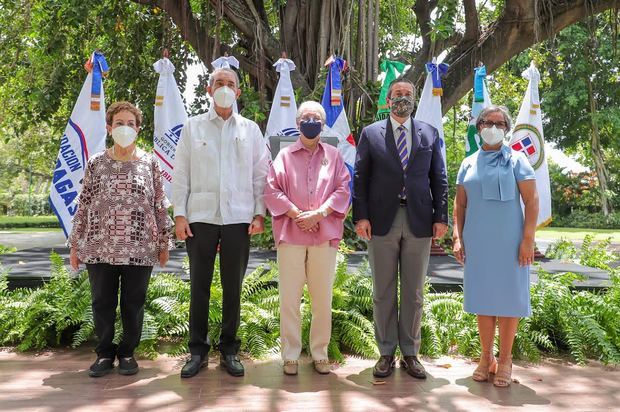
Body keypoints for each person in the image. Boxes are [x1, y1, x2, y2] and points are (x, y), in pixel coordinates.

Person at [172, 67, 270, 378]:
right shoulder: (193, 127)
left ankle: (229, 350)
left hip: (238, 218)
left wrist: (259, 212)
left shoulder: (250, 130)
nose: (225, 88)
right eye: (219, 83)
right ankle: (197, 351)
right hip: (200, 217)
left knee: (233, 288)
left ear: (238, 92)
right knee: (198, 287)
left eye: (230, 84)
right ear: (208, 89)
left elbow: (260, 174)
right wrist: (179, 214)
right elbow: (181, 174)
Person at [68, 101, 173, 378]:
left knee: (133, 302)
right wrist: (75, 243)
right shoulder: (96, 164)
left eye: (130, 124)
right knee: (102, 301)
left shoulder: (150, 163)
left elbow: (159, 205)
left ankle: (127, 352)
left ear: (138, 129)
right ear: (108, 128)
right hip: (99, 247)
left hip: (140, 247)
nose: (124, 128)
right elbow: (84, 204)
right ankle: (104, 353)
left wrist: (164, 244)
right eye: (119, 124)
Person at [353, 79, 448, 379]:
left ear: (414, 98)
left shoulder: (429, 133)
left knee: (414, 291)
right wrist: (361, 217)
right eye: (397, 95)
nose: (402, 99)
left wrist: (441, 217)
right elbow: (360, 178)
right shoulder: (371, 133)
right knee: (382, 290)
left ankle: (410, 353)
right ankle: (385, 353)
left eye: (407, 95)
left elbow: (439, 178)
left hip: (419, 219)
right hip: (382, 220)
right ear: (388, 99)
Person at [452, 105, 539, 387]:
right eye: (487, 122)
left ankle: (505, 360)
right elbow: (460, 204)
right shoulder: (468, 163)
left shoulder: (518, 161)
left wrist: (528, 240)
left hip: (511, 244)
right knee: (484, 301)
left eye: (499, 123)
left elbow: (532, 201)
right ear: (478, 127)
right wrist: (457, 236)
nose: (493, 127)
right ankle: (485, 357)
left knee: (509, 302)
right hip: (479, 243)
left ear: (506, 128)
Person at [263, 101, 351, 376]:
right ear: (298, 122)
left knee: (322, 298)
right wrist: (297, 213)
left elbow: (343, 189)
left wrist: (320, 214)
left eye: (316, 117)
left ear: (323, 124)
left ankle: (320, 353)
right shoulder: (285, 156)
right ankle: (290, 355)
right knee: (289, 297)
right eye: (306, 117)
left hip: (324, 236)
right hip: (291, 234)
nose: (311, 120)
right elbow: (271, 189)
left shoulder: (335, 155)